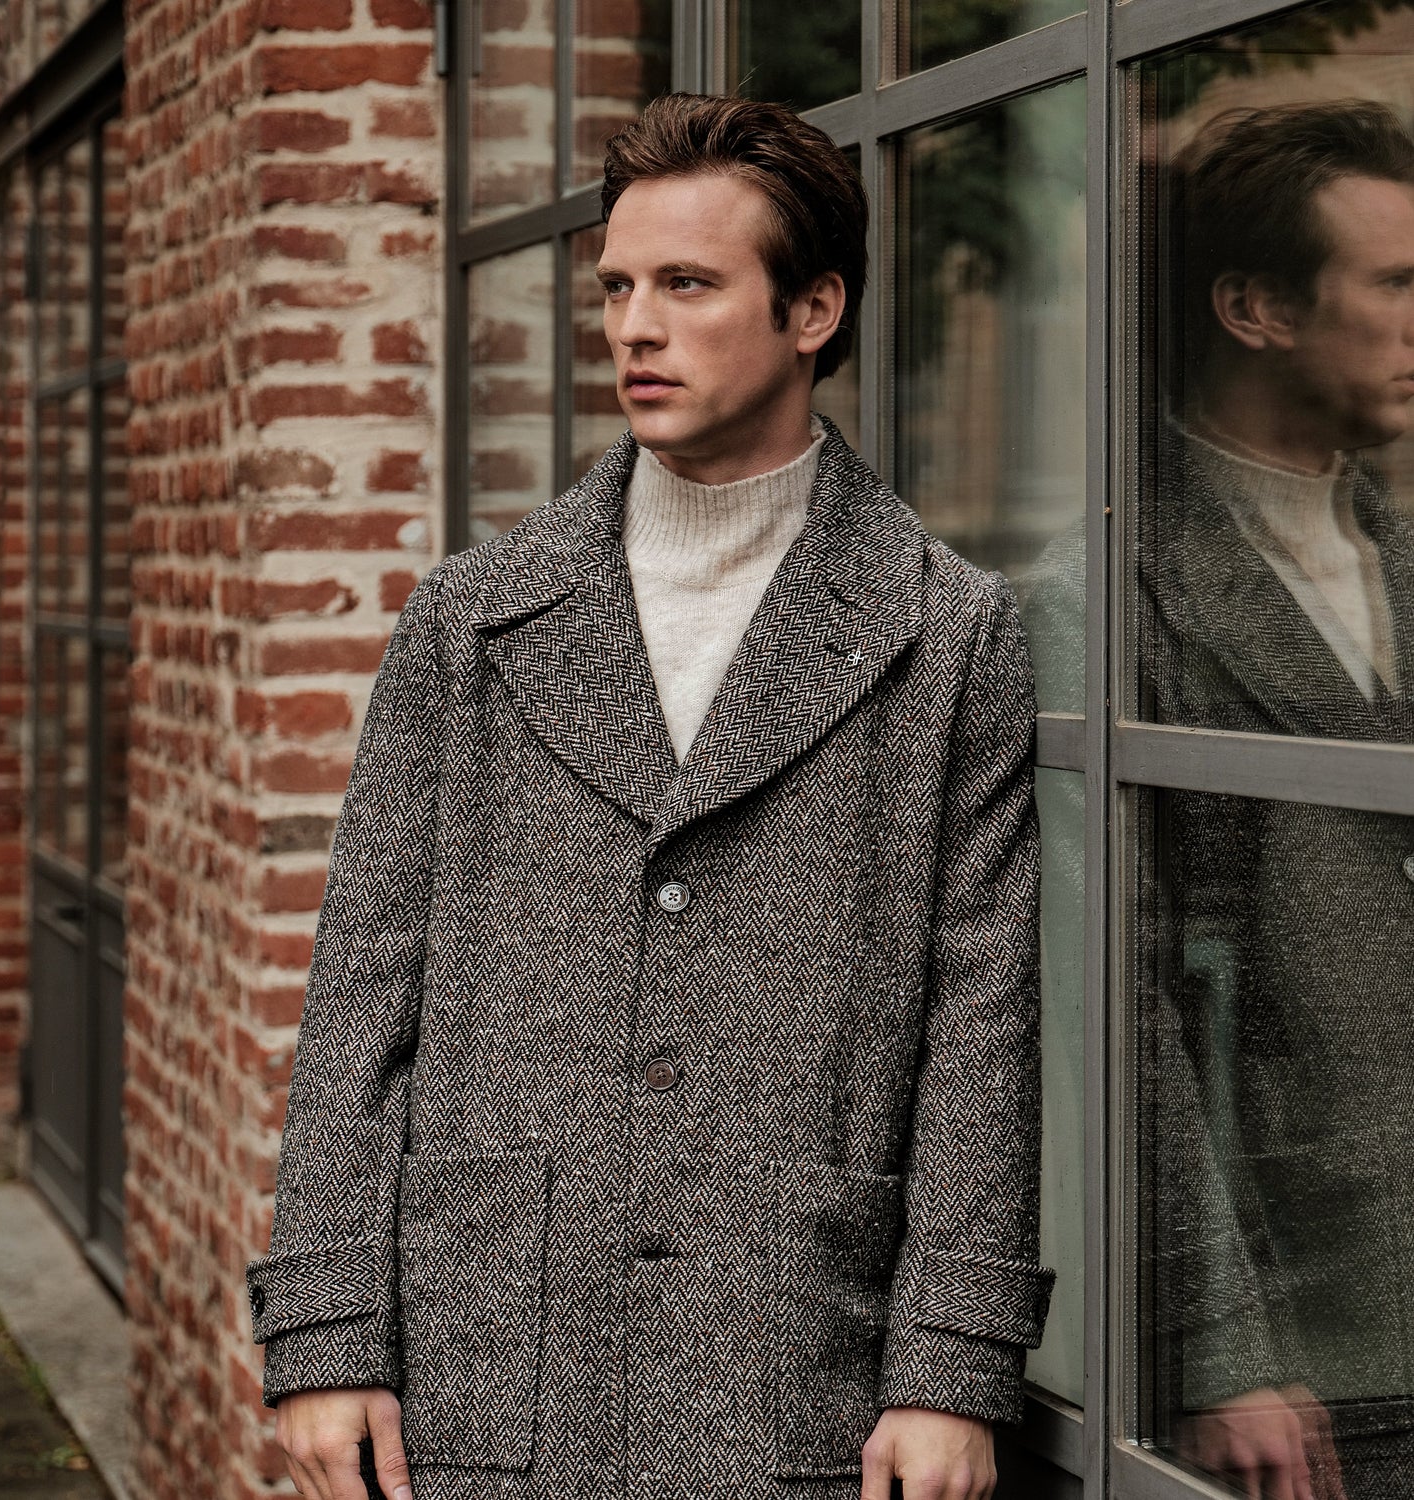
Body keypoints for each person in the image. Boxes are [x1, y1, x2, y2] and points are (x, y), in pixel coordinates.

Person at [245, 93, 1054, 1500]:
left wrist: (951, 1368)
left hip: (796, 1351)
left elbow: (980, 1020)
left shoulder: (948, 629)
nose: (632, 324)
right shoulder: (473, 621)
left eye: (687, 283)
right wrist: (324, 1335)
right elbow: (364, 993)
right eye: (617, 285)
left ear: (812, 310)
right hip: (489, 1348)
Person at [1146, 100, 1414, 1500]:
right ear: (1256, 307)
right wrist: (1219, 1347)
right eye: (1399, 282)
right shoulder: (1120, 594)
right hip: (1313, 1339)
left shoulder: (1408, 557)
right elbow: (1123, 1008)